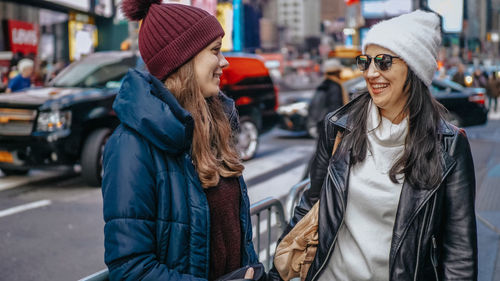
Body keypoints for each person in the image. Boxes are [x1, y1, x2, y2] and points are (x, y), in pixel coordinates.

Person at [270, 10, 477, 281]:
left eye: (383, 62)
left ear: (414, 68)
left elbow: (459, 253)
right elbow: (310, 203)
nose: (370, 73)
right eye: (365, 62)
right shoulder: (339, 127)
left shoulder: (449, 145)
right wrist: (277, 272)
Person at [102, 1, 259, 280]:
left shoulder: (214, 127)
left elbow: (236, 237)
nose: (224, 61)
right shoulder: (131, 146)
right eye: (215, 51)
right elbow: (130, 269)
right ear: (184, 60)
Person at [306, 59, 347, 138]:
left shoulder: (324, 85)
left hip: (323, 125)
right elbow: (335, 108)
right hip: (331, 127)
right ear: (337, 72)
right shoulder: (334, 86)